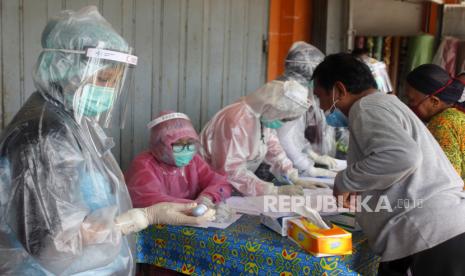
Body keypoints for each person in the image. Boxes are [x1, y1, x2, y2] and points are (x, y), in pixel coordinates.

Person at [0, 7, 212, 275]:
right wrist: (142, 217)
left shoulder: (70, 120)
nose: (108, 91)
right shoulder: (44, 135)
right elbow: (54, 248)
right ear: (65, 68)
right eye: (102, 78)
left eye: (114, 81)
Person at [312, 53, 465, 275]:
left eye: (320, 97)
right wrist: (362, 184)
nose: (321, 106)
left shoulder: (366, 108)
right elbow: (391, 162)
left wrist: (345, 180)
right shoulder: (382, 104)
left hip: (432, 234)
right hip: (435, 231)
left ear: (339, 90)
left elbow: (403, 156)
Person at [200, 78, 328, 197]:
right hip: (209, 187)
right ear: (274, 108)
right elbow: (231, 171)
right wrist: (272, 190)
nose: (282, 122)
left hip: (233, 187)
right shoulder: (236, 121)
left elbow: (274, 149)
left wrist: (293, 176)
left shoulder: (263, 116)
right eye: (283, 118)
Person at [125, 111, 232, 209]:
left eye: (190, 142)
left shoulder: (194, 161)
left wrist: (208, 197)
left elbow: (220, 183)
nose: (185, 149)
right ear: (159, 144)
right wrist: (193, 206)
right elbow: (149, 199)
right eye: (178, 144)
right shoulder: (144, 165)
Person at [275, 41, 338, 178]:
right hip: (278, 164)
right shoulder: (290, 94)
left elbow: (295, 135)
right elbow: (282, 139)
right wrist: (307, 167)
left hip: (287, 161)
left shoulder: (294, 88)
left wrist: (312, 156)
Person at [406, 64, 465, 183]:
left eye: (412, 100)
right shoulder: (457, 115)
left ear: (434, 101)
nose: (409, 106)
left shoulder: (443, 123)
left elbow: (447, 179)